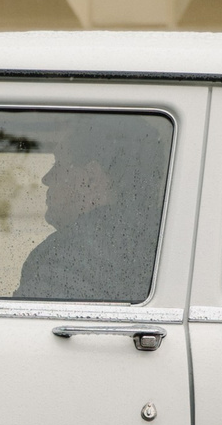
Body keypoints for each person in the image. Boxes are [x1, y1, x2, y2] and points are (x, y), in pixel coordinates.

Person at [16, 117, 167, 302]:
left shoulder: (69, 256)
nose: (46, 178)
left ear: (90, 179)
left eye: (58, 165)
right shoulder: (156, 245)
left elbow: (29, 320)